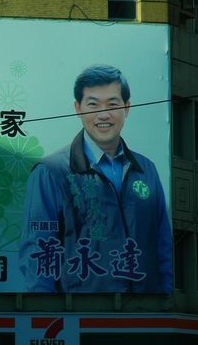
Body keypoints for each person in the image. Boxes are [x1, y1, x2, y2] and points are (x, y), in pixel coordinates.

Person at [19, 64, 172, 294]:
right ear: (77, 108)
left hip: (145, 315)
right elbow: (38, 254)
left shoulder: (146, 170)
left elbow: (163, 248)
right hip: (78, 316)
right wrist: (44, 315)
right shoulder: (51, 172)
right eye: (93, 105)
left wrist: (166, 304)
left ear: (127, 108)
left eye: (112, 104)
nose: (103, 115)